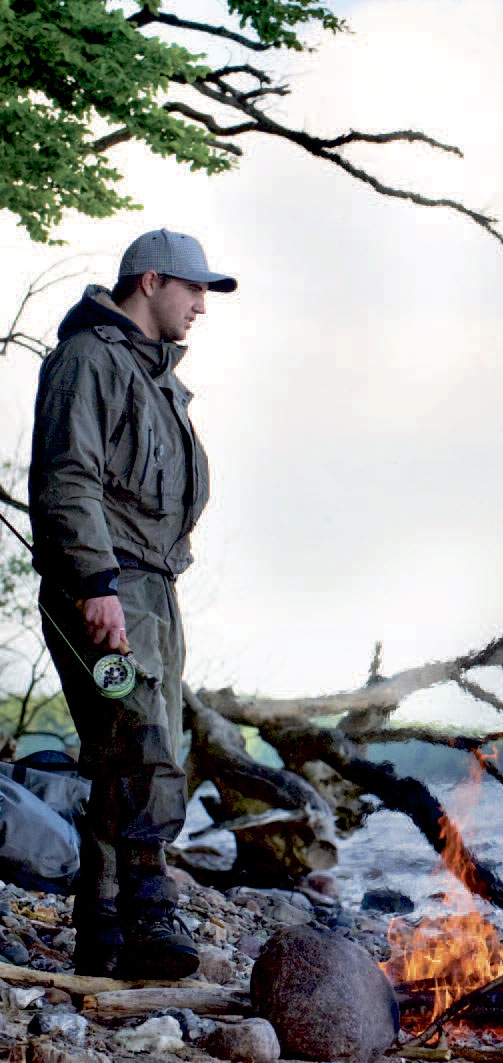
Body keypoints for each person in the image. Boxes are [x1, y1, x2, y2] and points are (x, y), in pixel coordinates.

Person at [28, 229, 236, 979]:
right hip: (107, 586)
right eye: (193, 288)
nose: (201, 306)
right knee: (140, 741)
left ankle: (104, 932)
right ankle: (152, 914)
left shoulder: (155, 378)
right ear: (150, 282)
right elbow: (67, 477)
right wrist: (95, 584)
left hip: (151, 589)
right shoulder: (88, 361)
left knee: (134, 751)